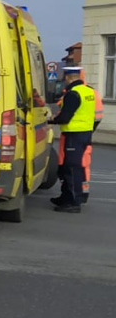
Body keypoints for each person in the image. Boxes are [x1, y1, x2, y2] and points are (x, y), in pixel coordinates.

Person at [48, 67, 96, 213]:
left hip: (73, 135)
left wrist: (51, 120)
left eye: (64, 78)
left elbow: (65, 117)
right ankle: (66, 197)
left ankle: (73, 202)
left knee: (72, 168)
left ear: (68, 78)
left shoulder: (73, 94)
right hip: (84, 133)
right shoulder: (88, 91)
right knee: (70, 167)